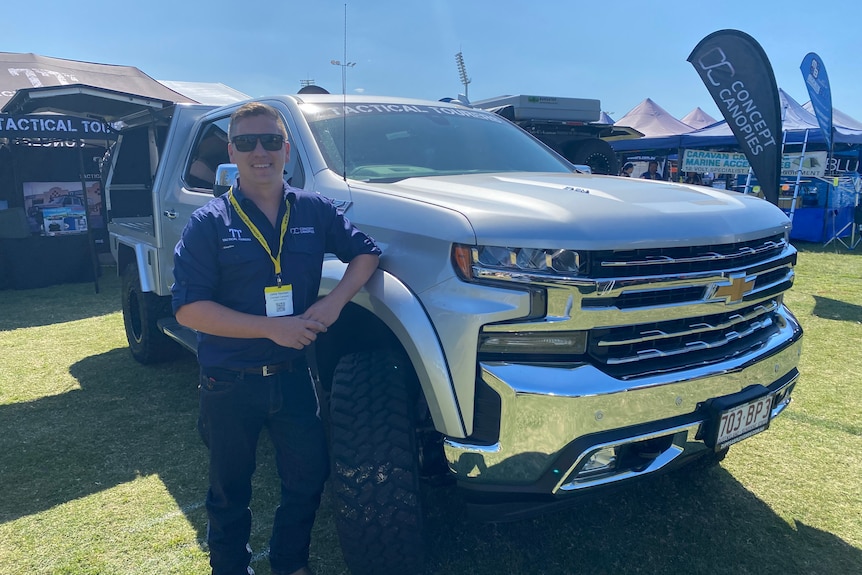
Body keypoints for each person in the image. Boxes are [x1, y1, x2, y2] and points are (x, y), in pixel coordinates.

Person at [171, 101, 381, 575]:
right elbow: (188, 308)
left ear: (287, 149)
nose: (259, 151)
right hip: (228, 383)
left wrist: (333, 304)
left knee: (308, 479)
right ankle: (229, 567)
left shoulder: (313, 209)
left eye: (270, 141)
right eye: (247, 142)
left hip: (293, 378)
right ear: (232, 151)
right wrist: (271, 327)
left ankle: (290, 564)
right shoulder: (209, 223)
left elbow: (366, 255)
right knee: (230, 489)